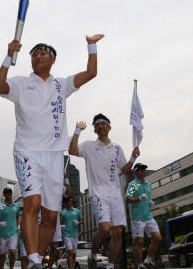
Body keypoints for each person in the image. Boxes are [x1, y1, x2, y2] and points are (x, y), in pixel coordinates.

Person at [0, 34, 104, 269]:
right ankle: (32, 256)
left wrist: (91, 45)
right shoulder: (21, 83)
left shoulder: (61, 84)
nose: (38, 56)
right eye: (34, 54)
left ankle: (37, 261)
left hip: (54, 155)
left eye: (43, 53)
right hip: (27, 152)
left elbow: (91, 72)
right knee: (32, 203)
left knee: (51, 217)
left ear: (53, 60)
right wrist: (7, 55)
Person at [68, 114, 140, 269]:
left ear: (109, 127)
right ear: (95, 130)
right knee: (105, 228)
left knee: (118, 232)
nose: (100, 126)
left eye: (103, 124)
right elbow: (72, 150)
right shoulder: (88, 146)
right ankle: (93, 254)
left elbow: (124, 169)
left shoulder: (117, 148)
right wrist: (77, 131)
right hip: (98, 193)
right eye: (97, 125)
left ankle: (111, 265)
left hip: (115, 194)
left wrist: (133, 158)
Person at [126, 163, 161, 269]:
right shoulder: (132, 184)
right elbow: (128, 199)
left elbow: (146, 198)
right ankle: (140, 265)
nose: (143, 170)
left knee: (158, 238)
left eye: (144, 169)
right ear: (135, 172)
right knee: (140, 242)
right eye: (140, 169)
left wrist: (150, 202)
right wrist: (138, 199)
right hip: (137, 217)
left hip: (148, 216)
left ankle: (148, 260)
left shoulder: (148, 184)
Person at [44, 171, 72, 269]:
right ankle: (40, 264)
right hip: (43, 216)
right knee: (42, 245)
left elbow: (68, 193)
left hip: (56, 217)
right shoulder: (44, 184)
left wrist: (65, 178)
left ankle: (50, 267)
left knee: (54, 246)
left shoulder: (59, 186)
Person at [0, 188, 21, 269]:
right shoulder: (0, 206)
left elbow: (17, 218)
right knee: (2, 254)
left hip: (13, 233)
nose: (8, 194)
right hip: (3, 234)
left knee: (13, 252)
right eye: (6, 192)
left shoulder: (16, 206)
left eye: (10, 192)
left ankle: (11, 267)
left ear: (12, 194)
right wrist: (0, 223)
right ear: (4, 195)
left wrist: (19, 226)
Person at [59, 197, 83, 269]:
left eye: (67, 201)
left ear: (71, 201)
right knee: (70, 251)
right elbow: (59, 222)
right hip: (66, 234)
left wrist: (78, 222)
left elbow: (81, 219)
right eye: (65, 201)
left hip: (75, 234)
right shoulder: (62, 212)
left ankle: (70, 266)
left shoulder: (77, 211)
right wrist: (60, 226)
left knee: (74, 254)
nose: (66, 203)